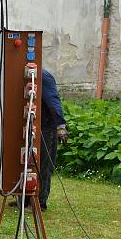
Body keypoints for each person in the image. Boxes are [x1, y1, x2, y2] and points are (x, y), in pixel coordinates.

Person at [38, 69, 68, 210]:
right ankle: (24, 199)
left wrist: (60, 126)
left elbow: (53, 100)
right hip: (30, 125)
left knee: (44, 165)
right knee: (26, 163)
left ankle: (40, 201)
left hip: (46, 127)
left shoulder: (43, 76)